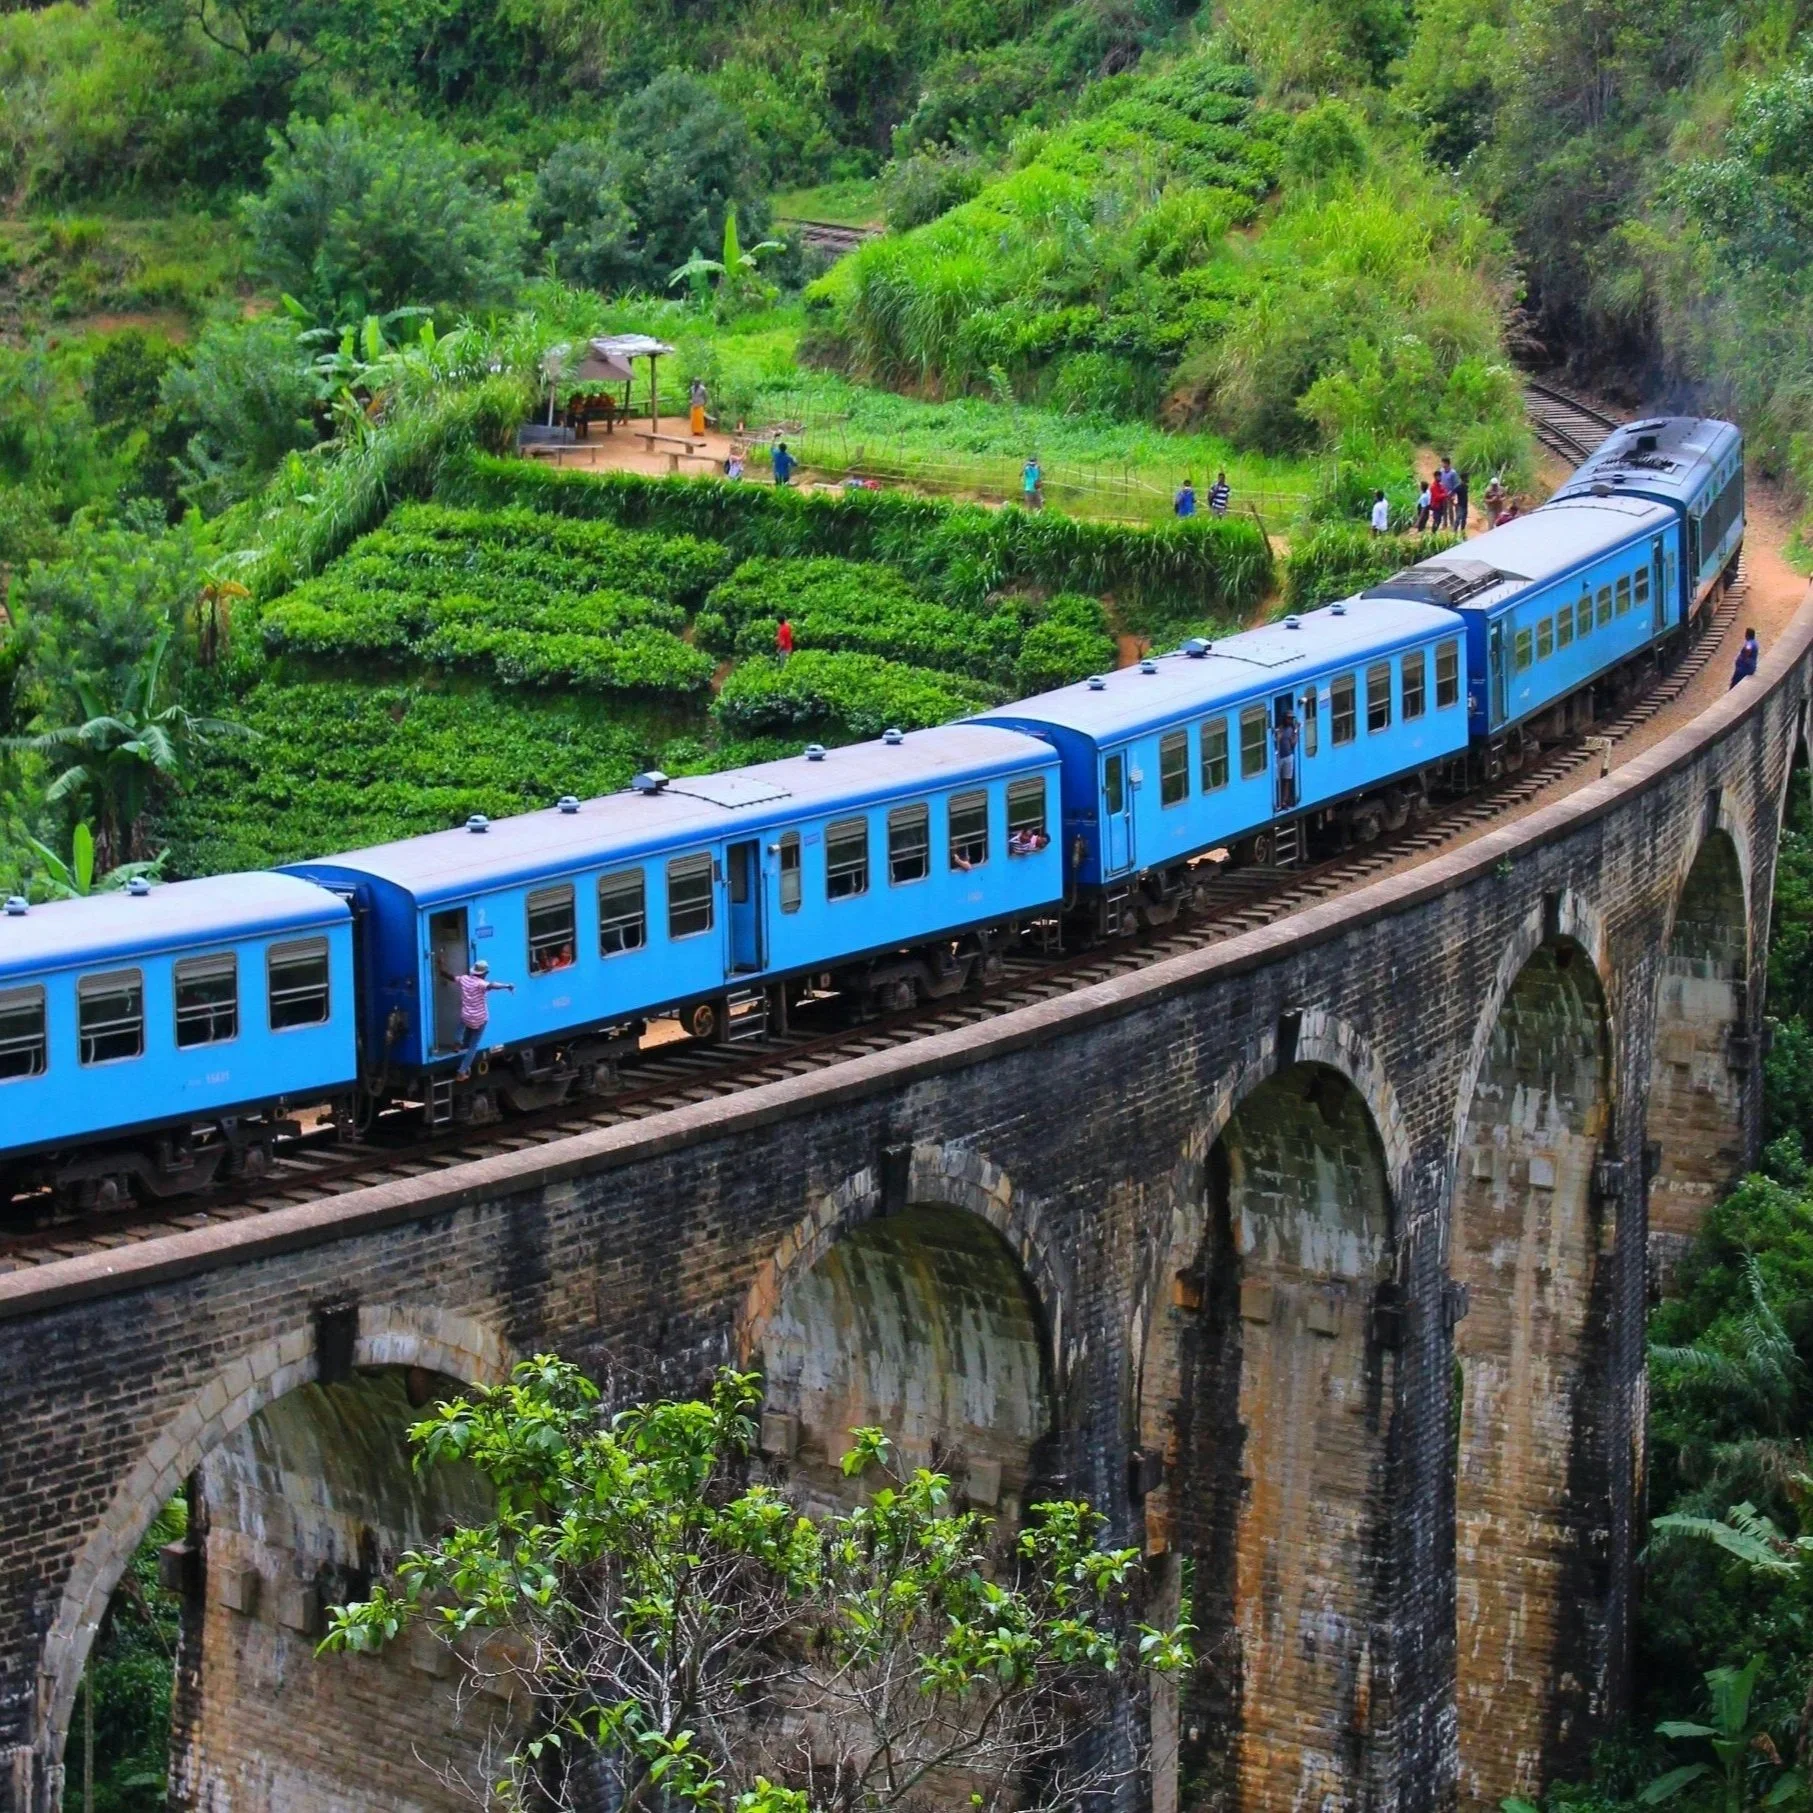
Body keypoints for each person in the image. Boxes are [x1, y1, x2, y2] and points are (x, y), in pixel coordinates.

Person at [440, 957, 514, 1082]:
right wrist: (507, 986)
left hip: (467, 1016)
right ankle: (461, 1072)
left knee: (462, 1022)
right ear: (485, 974)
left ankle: (457, 1043)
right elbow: (493, 985)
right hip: (480, 1019)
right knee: (473, 1047)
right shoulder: (481, 984)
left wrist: (441, 966)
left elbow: (449, 976)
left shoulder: (464, 979)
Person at [1274, 709, 1299, 809]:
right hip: (1279, 757)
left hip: (1289, 756)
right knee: (1277, 779)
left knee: (1287, 780)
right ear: (1284, 718)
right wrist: (1278, 736)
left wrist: (1296, 732)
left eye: (1291, 718)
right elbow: (1276, 741)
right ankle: (1277, 800)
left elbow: (1293, 743)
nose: (1290, 720)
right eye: (1289, 718)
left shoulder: (1291, 729)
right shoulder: (1279, 729)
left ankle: (1284, 801)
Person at [1429, 468, 1448, 533]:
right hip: (1436, 506)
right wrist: (1444, 494)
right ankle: (1433, 533)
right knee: (1437, 520)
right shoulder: (1433, 486)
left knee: (1439, 520)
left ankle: (1434, 533)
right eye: (1438, 476)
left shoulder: (1440, 485)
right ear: (1435, 477)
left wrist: (1443, 494)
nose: (1440, 478)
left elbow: (1445, 491)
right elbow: (1437, 497)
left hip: (1441, 505)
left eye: (1440, 476)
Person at [1453, 470, 1470, 536]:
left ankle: (1462, 533)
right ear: (1464, 478)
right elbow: (1450, 495)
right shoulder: (1458, 487)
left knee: (1464, 520)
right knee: (1458, 519)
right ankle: (1454, 533)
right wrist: (1454, 503)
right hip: (1460, 506)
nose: (1468, 479)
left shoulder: (1466, 486)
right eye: (1467, 477)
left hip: (1465, 506)